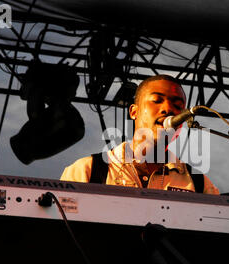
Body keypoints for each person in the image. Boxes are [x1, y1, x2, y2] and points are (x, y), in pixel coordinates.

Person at [60, 74, 219, 195]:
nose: (168, 109)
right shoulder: (88, 169)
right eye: (157, 100)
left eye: (177, 106)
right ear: (134, 111)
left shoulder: (198, 183)